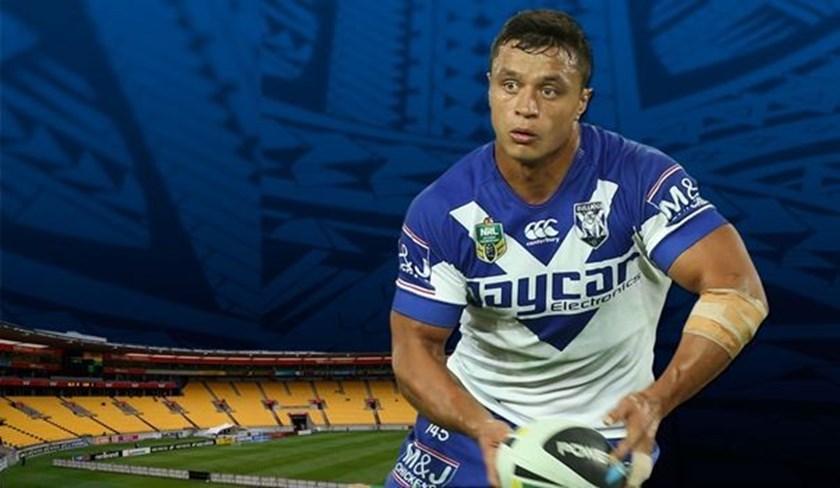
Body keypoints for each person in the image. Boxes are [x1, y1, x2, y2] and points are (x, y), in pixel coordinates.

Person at [385, 8, 768, 488]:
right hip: (477, 425)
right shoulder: (442, 209)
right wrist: (475, 423)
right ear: (490, 88)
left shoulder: (641, 179)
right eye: (509, 85)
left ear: (582, 101)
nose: (525, 107)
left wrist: (659, 398)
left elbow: (737, 290)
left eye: (549, 90)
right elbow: (415, 347)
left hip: (605, 438)